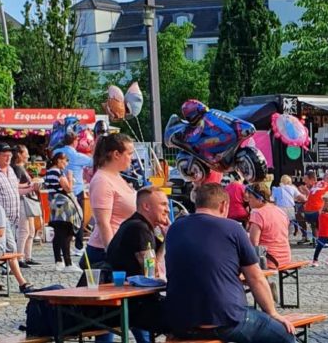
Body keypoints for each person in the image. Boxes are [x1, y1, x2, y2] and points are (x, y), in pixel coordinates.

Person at [165, 183, 295, 343]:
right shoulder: (232, 228)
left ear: (196, 203)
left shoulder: (175, 228)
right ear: (223, 205)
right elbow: (255, 278)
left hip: (181, 322)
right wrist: (273, 313)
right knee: (285, 336)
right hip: (226, 320)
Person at [106, 186, 170, 343]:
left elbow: (153, 263)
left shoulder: (135, 225)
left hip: (128, 299)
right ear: (146, 206)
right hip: (131, 302)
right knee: (184, 316)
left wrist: (167, 238)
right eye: (163, 204)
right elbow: (152, 272)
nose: (167, 210)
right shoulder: (139, 229)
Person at [80, 133, 136, 269]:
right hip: (104, 249)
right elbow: (103, 222)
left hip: (121, 244)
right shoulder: (102, 180)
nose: (132, 158)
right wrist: (112, 254)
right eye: (129, 154)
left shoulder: (115, 176)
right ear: (116, 154)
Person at [54, 132, 93, 256]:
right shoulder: (77, 156)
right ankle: (78, 246)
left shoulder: (56, 152)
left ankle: (61, 247)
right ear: (75, 141)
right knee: (78, 219)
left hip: (59, 191)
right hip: (75, 191)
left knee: (62, 220)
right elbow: (93, 162)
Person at [45, 152, 82, 272]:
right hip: (64, 205)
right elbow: (68, 188)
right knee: (66, 233)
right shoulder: (57, 172)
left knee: (58, 234)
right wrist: (70, 177)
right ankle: (68, 263)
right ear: (59, 160)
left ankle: (58, 261)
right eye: (66, 161)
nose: (66, 164)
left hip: (55, 204)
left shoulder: (49, 172)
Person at [247, 182, 291, 269]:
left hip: (268, 259)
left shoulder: (258, 213)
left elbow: (254, 243)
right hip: (285, 257)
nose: (248, 200)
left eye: (250, 197)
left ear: (260, 199)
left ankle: (261, 283)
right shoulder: (280, 211)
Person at [11, 144, 41, 268]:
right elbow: (15, 186)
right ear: (19, 155)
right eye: (26, 153)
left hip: (27, 199)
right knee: (24, 230)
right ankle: (20, 257)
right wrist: (30, 186)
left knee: (31, 230)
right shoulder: (17, 168)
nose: (28, 156)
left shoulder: (21, 168)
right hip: (23, 200)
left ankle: (27, 256)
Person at [302, 171, 328, 245]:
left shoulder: (317, 184)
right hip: (317, 214)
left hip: (307, 214)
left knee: (315, 223)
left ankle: (316, 240)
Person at [312, 192, 328, 267]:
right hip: (323, 234)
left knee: (319, 247)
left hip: (325, 233)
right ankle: (315, 260)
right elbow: (321, 207)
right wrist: (324, 200)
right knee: (319, 247)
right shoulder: (321, 213)